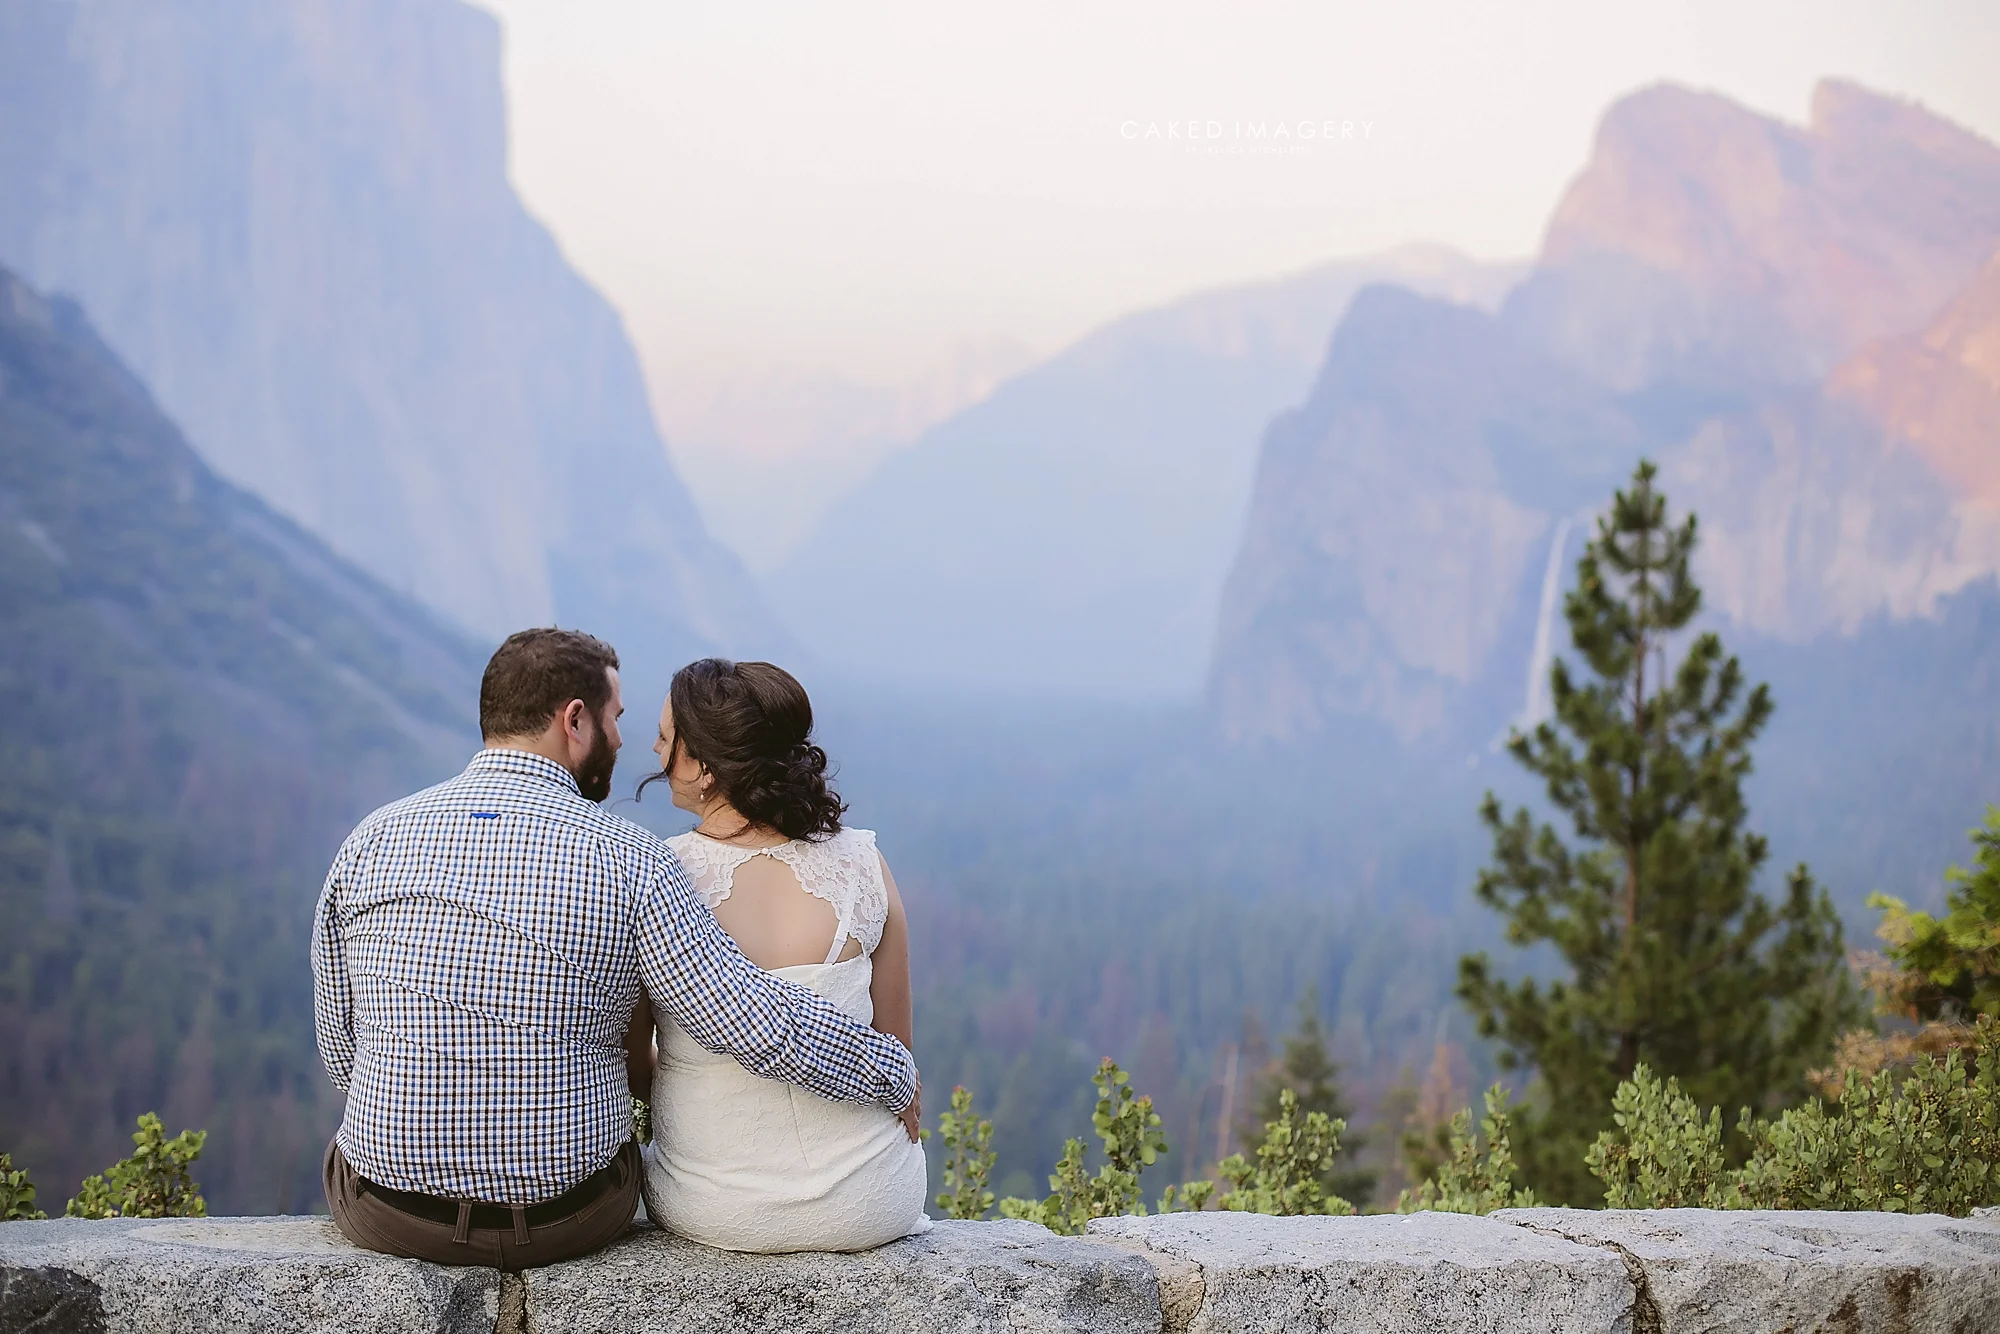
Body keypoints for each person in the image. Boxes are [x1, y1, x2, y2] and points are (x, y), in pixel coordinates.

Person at [311, 629, 919, 1270]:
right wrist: (893, 1071)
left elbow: (341, 1049)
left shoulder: (371, 840)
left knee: (354, 1139)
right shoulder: (630, 859)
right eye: (617, 718)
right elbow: (747, 1020)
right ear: (575, 720)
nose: (630, 743)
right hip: (565, 1217)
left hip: (390, 1215)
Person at [628, 658, 929, 1253]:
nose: (654, 749)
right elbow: (896, 1050)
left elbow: (637, 1070)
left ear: (706, 769)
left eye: (665, 737)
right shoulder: (863, 864)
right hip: (872, 1197)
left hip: (713, 1202)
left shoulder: (659, 876)